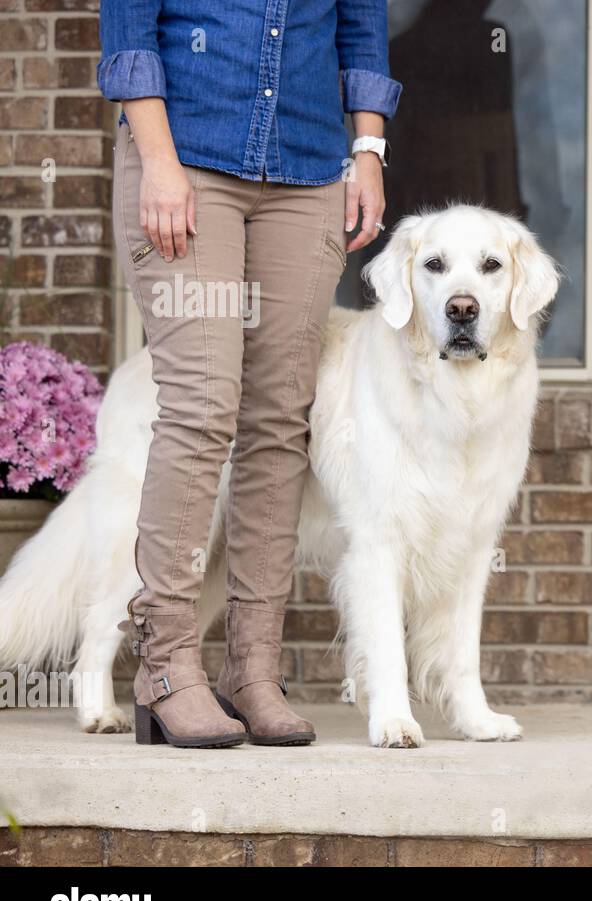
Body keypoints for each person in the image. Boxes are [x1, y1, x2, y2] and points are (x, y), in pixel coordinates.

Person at [97, 0, 401, 747]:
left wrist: (368, 153)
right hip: (186, 157)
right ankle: (165, 662)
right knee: (202, 405)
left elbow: (361, 25)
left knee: (280, 419)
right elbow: (130, 27)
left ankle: (252, 667)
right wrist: (158, 161)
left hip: (305, 169)